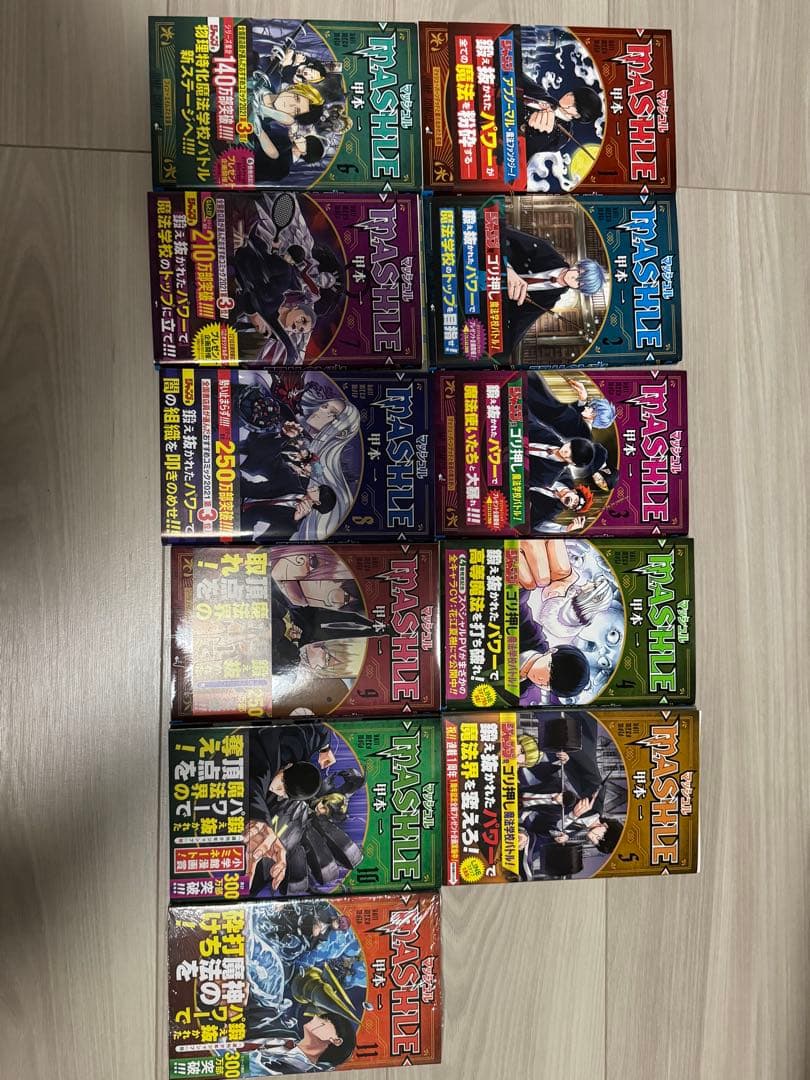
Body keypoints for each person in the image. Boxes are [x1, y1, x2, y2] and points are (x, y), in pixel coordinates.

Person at [503, 226, 607, 352]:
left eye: (579, 283)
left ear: (579, 289)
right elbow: (502, 233)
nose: (574, 278)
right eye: (579, 273)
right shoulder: (545, 251)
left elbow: (517, 328)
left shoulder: (548, 301)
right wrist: (507, 267)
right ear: (578, 265)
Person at [520, 75, 603, 154]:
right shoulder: (543, 94)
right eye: (572, 94)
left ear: (577, 116)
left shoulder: (559, 136)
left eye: (574, 104)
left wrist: (533, 131)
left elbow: (525, 149)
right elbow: (519, 76)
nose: (568, 97)